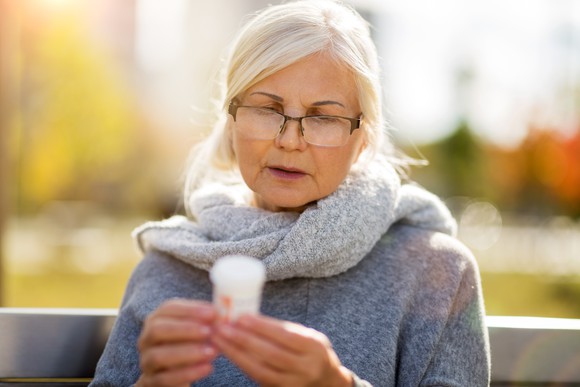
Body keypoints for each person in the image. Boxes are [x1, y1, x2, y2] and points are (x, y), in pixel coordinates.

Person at [91, 0, 490, 386]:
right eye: (267, 109)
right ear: (231, 121)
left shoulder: (436, 273)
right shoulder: (165, 270)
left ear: (363, 139)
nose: (289, 141)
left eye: (323, 117)